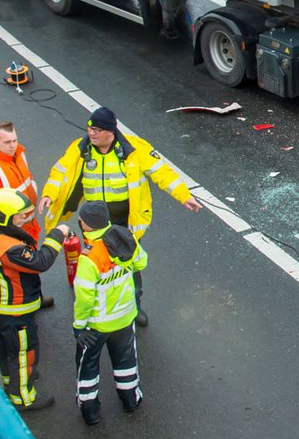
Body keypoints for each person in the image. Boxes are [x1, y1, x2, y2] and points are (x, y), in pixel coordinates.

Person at [39, 107, 201, 326]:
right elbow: (60, 172)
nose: (91, 133)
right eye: (90, 128)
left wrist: (184, 196)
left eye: (96, 129)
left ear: (110, 132)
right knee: (97, 265)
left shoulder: (135, 149)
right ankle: (96, 306)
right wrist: (49, 194)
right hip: (94, 224)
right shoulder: (80, 150)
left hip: (125, 222)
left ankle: (134, 306)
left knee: (129, 265)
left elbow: (162, 173)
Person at [0, 188, 68, 412]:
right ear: (6, 217)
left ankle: (11, 380)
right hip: (15, 308)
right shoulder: (8, 248)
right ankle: (23, 396)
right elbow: (40, 261)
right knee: (24, 350)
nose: (24, 219)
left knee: (6, 345)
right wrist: (58, 235)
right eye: (19, 215)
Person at [72, 201, 147, 426]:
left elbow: (84, 297)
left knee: (88, 367)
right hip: (125, 317)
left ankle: (90, 411)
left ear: (85, 225)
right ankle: (130, 399)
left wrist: (79, 326)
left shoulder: (89, 257)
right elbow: (142, 262)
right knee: (126, 361)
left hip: (97, 325)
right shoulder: (125, 239)